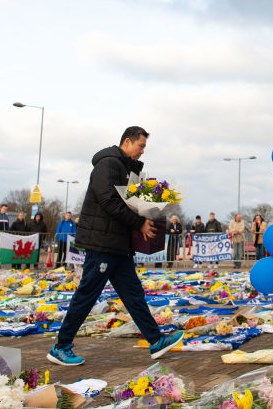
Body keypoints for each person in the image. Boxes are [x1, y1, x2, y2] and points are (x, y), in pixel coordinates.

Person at [47, 126, 183, 367]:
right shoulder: (108, 164)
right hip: (102, 243)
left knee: (133, 295)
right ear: (127, 142)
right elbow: (109, 201)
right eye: (140, 146)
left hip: (118, 244)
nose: (142, 152)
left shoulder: (125, 168)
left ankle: (155, 340)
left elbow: (126, 201)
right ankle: (61, 346)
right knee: (87, 294)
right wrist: (139, 221)